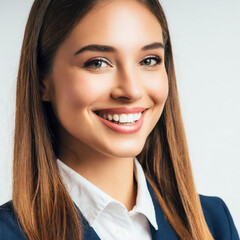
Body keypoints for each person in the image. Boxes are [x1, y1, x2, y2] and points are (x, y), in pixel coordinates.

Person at [0, 0, 239, 239]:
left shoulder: (213, 222)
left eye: (149, 60)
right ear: (43, 80)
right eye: (97, 63)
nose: (132, 90)